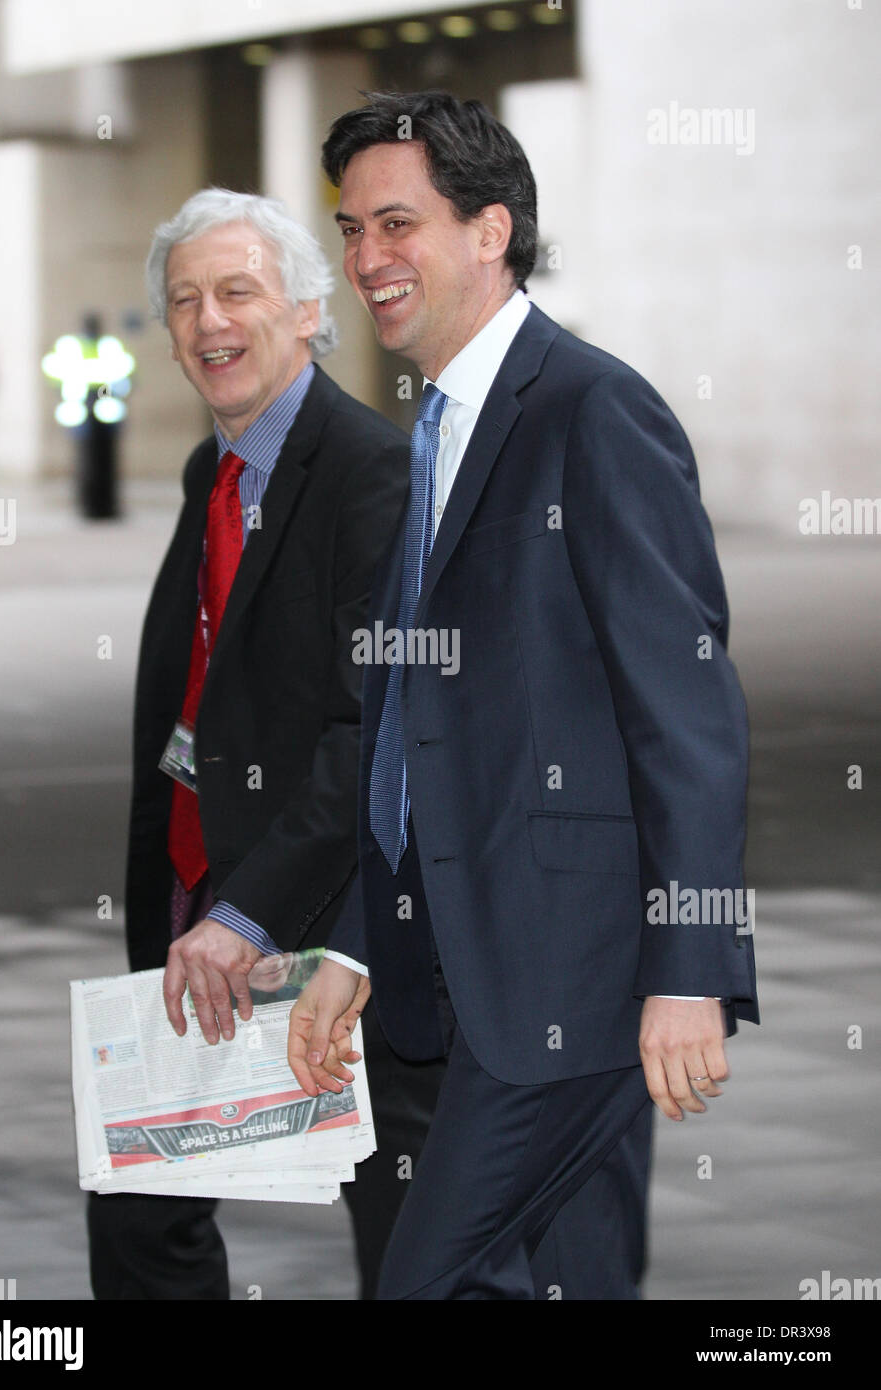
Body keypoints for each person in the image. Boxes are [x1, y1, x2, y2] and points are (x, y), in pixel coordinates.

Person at [285, 91, 760, 1300]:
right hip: (460, 963)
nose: (364, 261)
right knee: (572, 1278)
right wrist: (357, 937)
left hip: (575, 975)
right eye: (349, 231)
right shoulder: (438, 427)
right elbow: (416, 727)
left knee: (425, 1281)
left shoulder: (592, 411)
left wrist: (689, 969)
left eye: (397, 225)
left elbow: (687, 712)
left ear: (490, 231)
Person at [87, 188, 445, 1300]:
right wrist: (188, 899)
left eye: (236, 291)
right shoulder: (215, 472)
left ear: (304, 307)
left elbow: (374, 723)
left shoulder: (373, 475)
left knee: (400, 1226)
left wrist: (252, 912)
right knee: (141, 1206)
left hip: (332, 917)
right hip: (198, 901)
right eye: (184, 300)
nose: (207, 322)